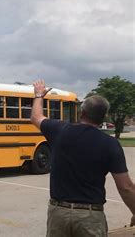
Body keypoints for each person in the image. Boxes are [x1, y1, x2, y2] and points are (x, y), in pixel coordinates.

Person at [31, 80, 135, 237]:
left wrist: (39, 94)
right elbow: (126, 187)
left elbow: (35, 117)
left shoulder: (60, 130)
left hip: (59, 213)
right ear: (104, 118)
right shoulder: (110, 144)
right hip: (90, 216)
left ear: (82, 113)